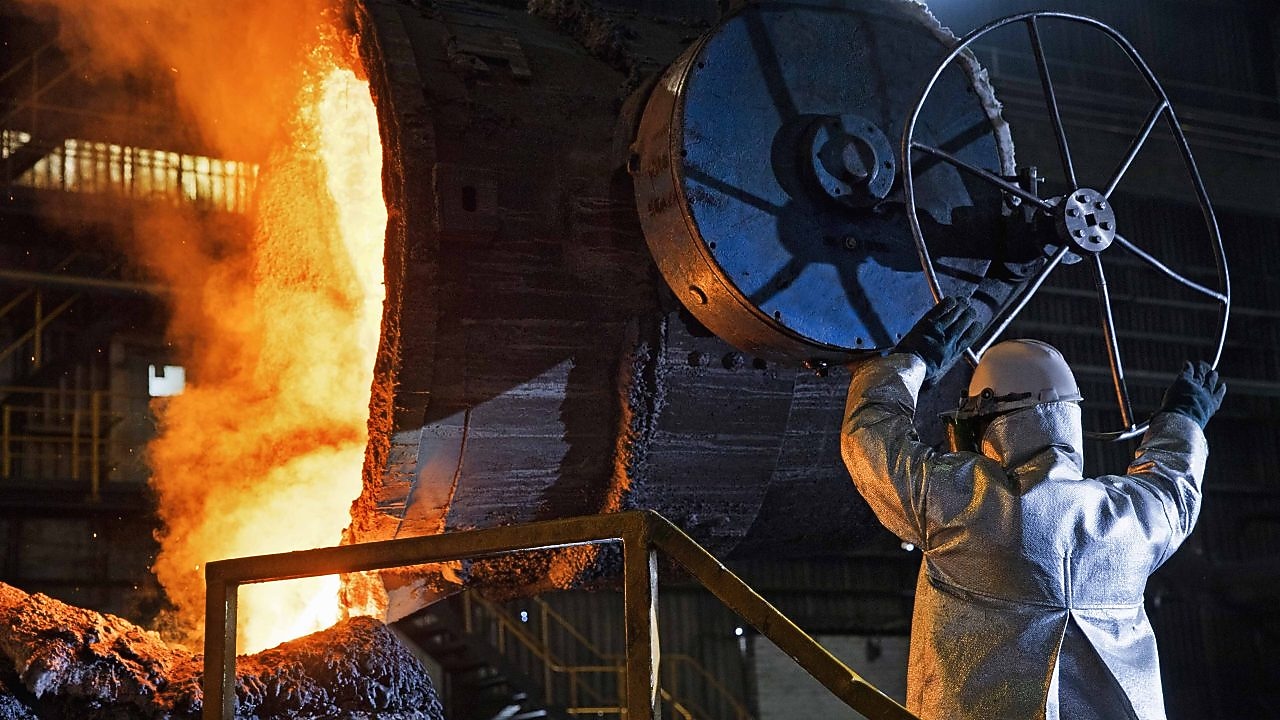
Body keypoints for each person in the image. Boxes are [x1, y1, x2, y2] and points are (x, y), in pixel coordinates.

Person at [841, 296, 1225, 720]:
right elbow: (1173, 484)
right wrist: (1184, 418)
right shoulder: (1129, 520)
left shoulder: (965, 503)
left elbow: (870, 440)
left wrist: (910, 362)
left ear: (989, 421)